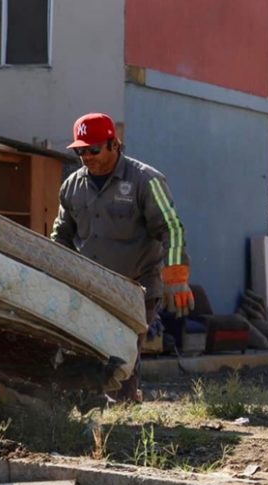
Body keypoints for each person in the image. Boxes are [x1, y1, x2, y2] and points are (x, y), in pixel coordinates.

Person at [50, 112, 193, 400]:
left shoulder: (146, 181)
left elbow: (172, 228)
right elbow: (61, 235)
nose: (86, 156)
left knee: (122, 352)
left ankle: (123, 412)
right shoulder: (72, 187)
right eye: (80, 151)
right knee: (85, 350)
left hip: (136, 286)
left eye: (93, 149)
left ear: (114, 144)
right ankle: (88, 407)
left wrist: (176, 276)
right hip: (91, 286)